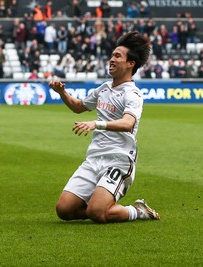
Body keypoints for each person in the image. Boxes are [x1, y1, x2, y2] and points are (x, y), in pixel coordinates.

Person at [49, 31, 160, 224]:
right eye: (112, 55)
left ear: (130, 64)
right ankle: (99, 206)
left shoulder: (133, 94)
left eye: (118, 56)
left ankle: (137, 211)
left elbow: (128, 123)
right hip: (94, 158)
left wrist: (96, 124)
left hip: (119, 159)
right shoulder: (104, 89)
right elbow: (78, 107)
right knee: (64, 210)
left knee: (97, 213)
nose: (111, 59)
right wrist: (62, 92)